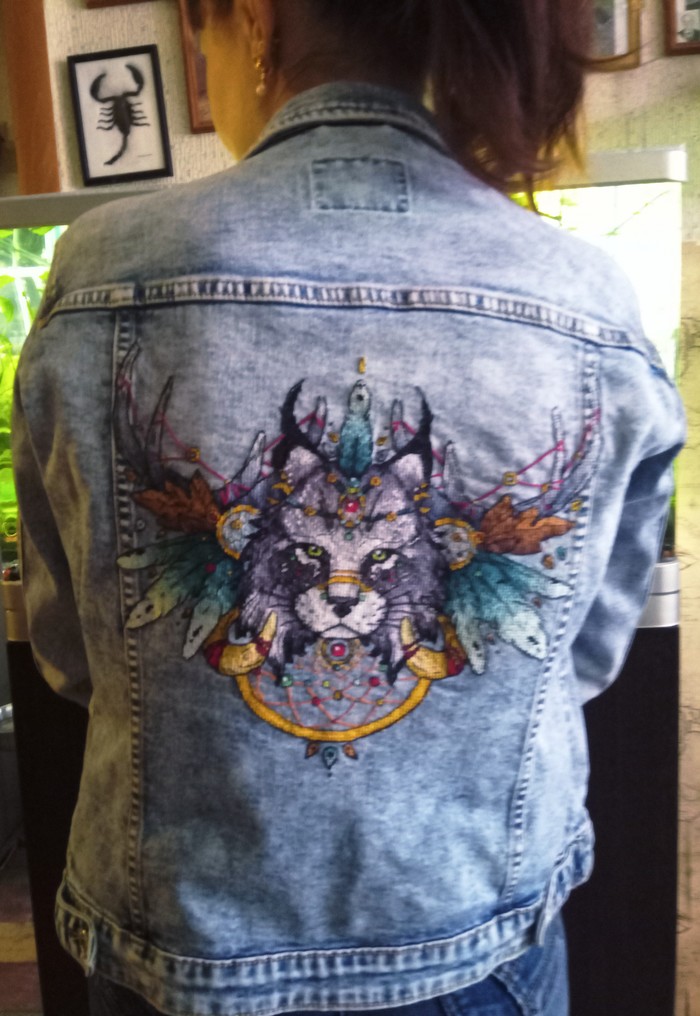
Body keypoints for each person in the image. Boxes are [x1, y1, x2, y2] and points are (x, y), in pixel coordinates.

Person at [12, 1, 684, 1015]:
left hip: (183, 951)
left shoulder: (104, 269)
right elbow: (582, 655)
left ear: (250, 17)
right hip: (472, 939)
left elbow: (68, 652)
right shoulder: (587, 297)